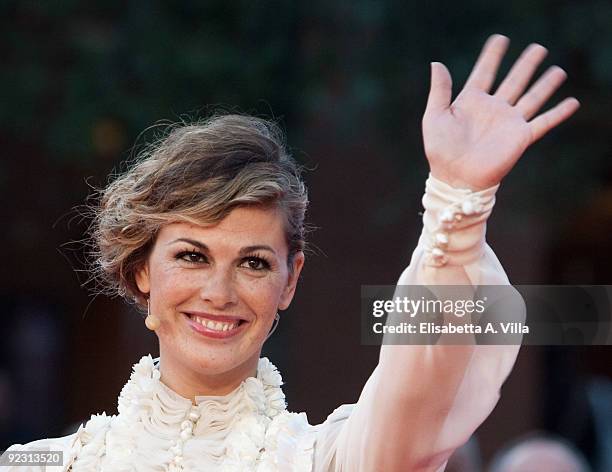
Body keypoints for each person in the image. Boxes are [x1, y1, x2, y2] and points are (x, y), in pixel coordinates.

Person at [2, 34, 579, 471]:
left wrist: (458, 204)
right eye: (192, 256)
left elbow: (419, 388)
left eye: (253, 263)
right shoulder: (41, 464)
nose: (220, 293)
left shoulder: (330, 459)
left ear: (290, 279)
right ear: (140, 270)